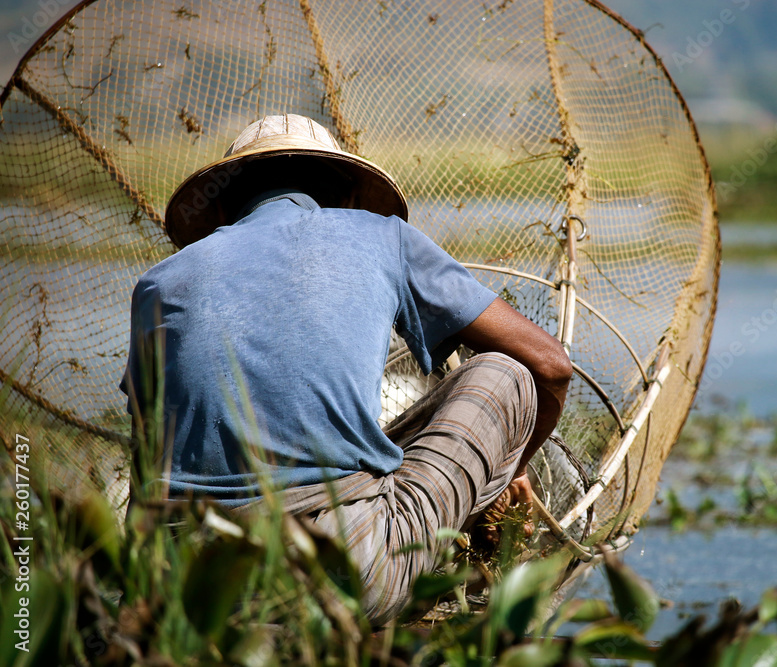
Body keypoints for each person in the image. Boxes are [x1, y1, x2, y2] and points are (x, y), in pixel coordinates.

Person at [120, 113, 572, 626]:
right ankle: (474, 535)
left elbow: (146, 456)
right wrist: (510, 471)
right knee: (505, 372)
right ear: (349, 199)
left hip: (185, 583)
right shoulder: (382, 236)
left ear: (223, 206)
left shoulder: (158, 284)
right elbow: (550, 366)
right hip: (345, 572)